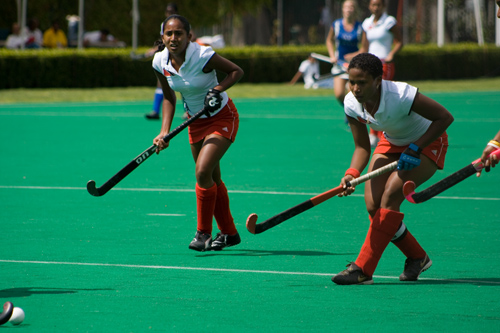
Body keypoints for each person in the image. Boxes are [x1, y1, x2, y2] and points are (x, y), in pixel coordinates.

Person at [331, 53, 454, 285]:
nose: (356, 88)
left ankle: (363, 269)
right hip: (393, 141)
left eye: (362, 82)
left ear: (378, 80)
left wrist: (416, 148)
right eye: (352, 82)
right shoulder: (351, 103)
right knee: (373, 205)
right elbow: (362, 147)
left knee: (389, 197)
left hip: (427, 142)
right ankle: (417, 257)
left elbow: (444, 117)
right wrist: (351, 174)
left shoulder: (400, 95)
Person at [152, 15, 244, 252]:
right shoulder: (159, 62)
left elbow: (236, 71)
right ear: (163, 37)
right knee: (212, 178)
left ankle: (203, 233)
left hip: (223, 117)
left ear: (189, 36)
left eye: (179, 33)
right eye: (169, 34)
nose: (174, 38)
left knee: (202, 171)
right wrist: (164, 131)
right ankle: (230, 233)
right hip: (195, 122)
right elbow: (169, 97)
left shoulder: (202, 55)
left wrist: (217, 89)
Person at [361, 0, 403, 147]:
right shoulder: (367, 23)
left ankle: (383, 133)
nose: (376, 7)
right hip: (369, 65)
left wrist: (391, 54)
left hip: (384, 65)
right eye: (373, 5)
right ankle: (373, 133)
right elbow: (364, 46)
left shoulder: (389, 21)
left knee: (381, 96)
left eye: (378, 5)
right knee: (370, 97)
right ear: (369, 6)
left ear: (383, 6)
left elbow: (399, 41)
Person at [145, 3, 180, 120]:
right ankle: (155, 111)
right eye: (167, 11)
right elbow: (163, 41)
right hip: (168, 56)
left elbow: (192, 37)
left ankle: (188, 112)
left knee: (185, 82)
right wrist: (155, 49)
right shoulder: (164, 25)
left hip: (180, 57)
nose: (169, 14)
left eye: (171, 12)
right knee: (161, 83)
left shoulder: (182, 23)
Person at [326, 0, 363, 107]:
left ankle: (353, 113)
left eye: (351, 7)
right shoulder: (336, 25)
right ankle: (349, 110)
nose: (348, 9)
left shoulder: (360, 27)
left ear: (355, 10)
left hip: (354, 66)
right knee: (339, 94)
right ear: (343, 9)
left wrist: (353, 56)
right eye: (346, 7)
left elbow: (364, 48)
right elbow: (329, 41)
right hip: (339, 64)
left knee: (353, 93)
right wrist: (332, 56)